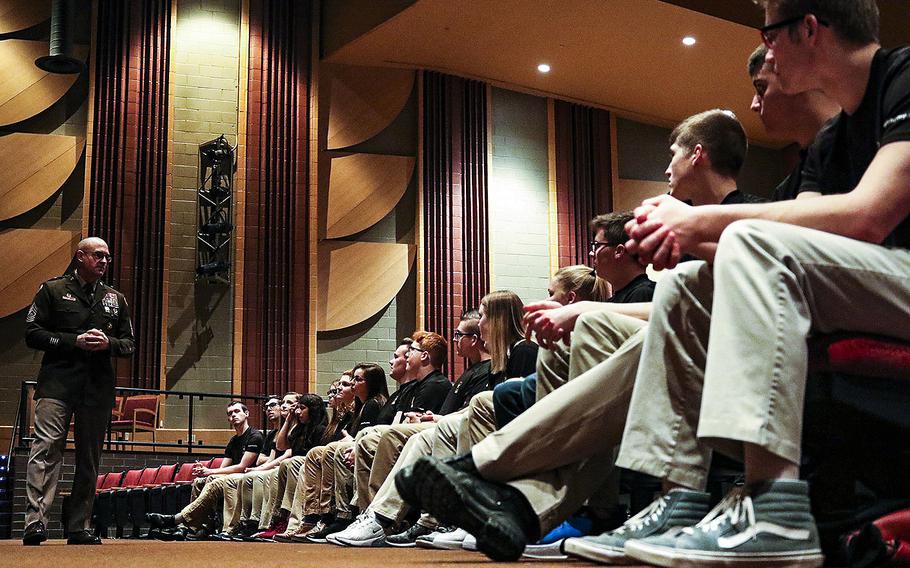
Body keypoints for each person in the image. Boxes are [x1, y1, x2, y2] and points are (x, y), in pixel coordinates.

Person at [608, 1, 910, 565]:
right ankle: (679, 500)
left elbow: (872, 216)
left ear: (810, 29)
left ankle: (773, 507)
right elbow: (809, 242)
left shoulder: (905, 78)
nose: (765, 50)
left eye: (768, 34)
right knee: (687, 283)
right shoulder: (830, 140)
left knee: (747, 239)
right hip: (876, 286)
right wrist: (682, 237)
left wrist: (700, 221)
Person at [399, 109, 763, 562]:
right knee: (565, 344)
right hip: (693, 334)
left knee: (588, 329)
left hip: (732, 347)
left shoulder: (738, 218)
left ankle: (507, 483)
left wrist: (586, 310)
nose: (667, 167)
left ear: (698, 153)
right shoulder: (689, 232)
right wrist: (582, 310)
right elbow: (679, 304)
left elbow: (704, 306)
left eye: (673, 153)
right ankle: (536, 505)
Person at [22, 237, 134, 546]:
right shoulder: (52, 290)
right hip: (57, 383)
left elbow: (129, 344)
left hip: (96, 388)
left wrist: (108, 344)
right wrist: (74, 341)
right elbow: (32, 333)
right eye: (98, 255)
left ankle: (79, 526)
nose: (104, 261)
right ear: (80, 256)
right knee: (45, 450)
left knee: (89, 458)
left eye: (108, 257)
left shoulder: (115, 299)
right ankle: (35, 523)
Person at [146, 401, 264, 538]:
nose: (233, 415)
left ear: (247, 414)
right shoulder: (233, 441)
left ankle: (178, 520)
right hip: (233, 476)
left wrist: (211, 471)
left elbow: (242, 467)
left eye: (237, 411)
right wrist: (206, 471)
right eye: (230, 413)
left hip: (248, 478)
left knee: (213, 479)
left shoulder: (254, 436)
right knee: (199, 481)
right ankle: (195, 528)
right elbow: (223, 468)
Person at [748, 44, 840, 201]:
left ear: (795, 77)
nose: (754, 105)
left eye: (761, 88)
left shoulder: (868, 136)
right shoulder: (785, 189)